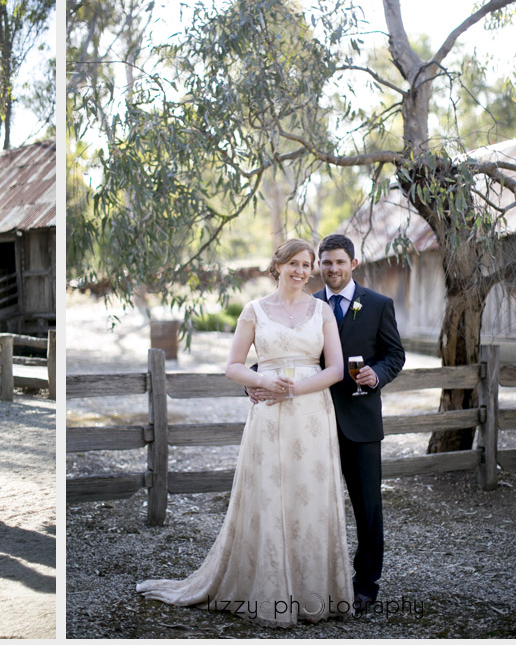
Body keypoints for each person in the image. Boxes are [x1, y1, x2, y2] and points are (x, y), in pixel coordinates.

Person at [137, 239, 352, 627]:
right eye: (293, 263)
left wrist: (295, 388)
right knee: (271, 493)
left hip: (312, 414)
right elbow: (233, 366)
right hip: (268, 415)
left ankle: (313, 594)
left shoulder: (322, 311)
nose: (301, 271)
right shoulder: (255, 310)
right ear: (278, 265)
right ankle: (270, 589)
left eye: (307, 265)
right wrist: (262, 380)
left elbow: (335, 369)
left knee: (310, 495)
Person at [307, 234, 406, 611]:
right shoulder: (309, 306)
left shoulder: (378, 305)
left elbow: (394, 354)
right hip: (314, 421)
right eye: (326, 262)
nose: (332, 268)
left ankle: (366, 584)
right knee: (314, 503)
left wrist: (376, 375)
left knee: (367, 506)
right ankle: (317, 577)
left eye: (339, 262)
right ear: (320, 264)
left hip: (361, 423)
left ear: (354, 263)